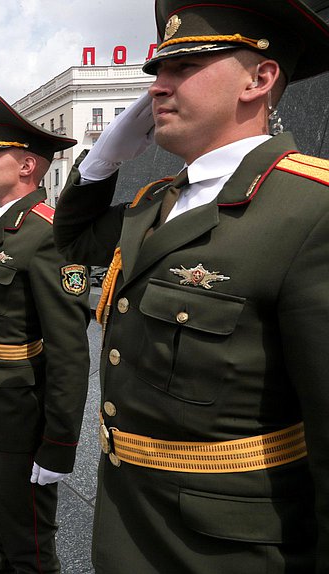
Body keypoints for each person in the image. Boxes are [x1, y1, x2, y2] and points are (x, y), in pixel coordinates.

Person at [53, 1, 329, 572]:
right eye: (157, 70)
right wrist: (106, 154)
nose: (158, 85)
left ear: (260, 78)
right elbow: (73, 239)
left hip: (227, 553)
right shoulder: (157, 200)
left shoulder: (310, 211)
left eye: (186, 66)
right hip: (127, 528)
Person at [0, 92, 91, 573]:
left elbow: (70, 351)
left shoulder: (49, 235)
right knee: (2, 537)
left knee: (29, 547)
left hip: (20, 422)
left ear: (28, 165)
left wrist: (60, 443)